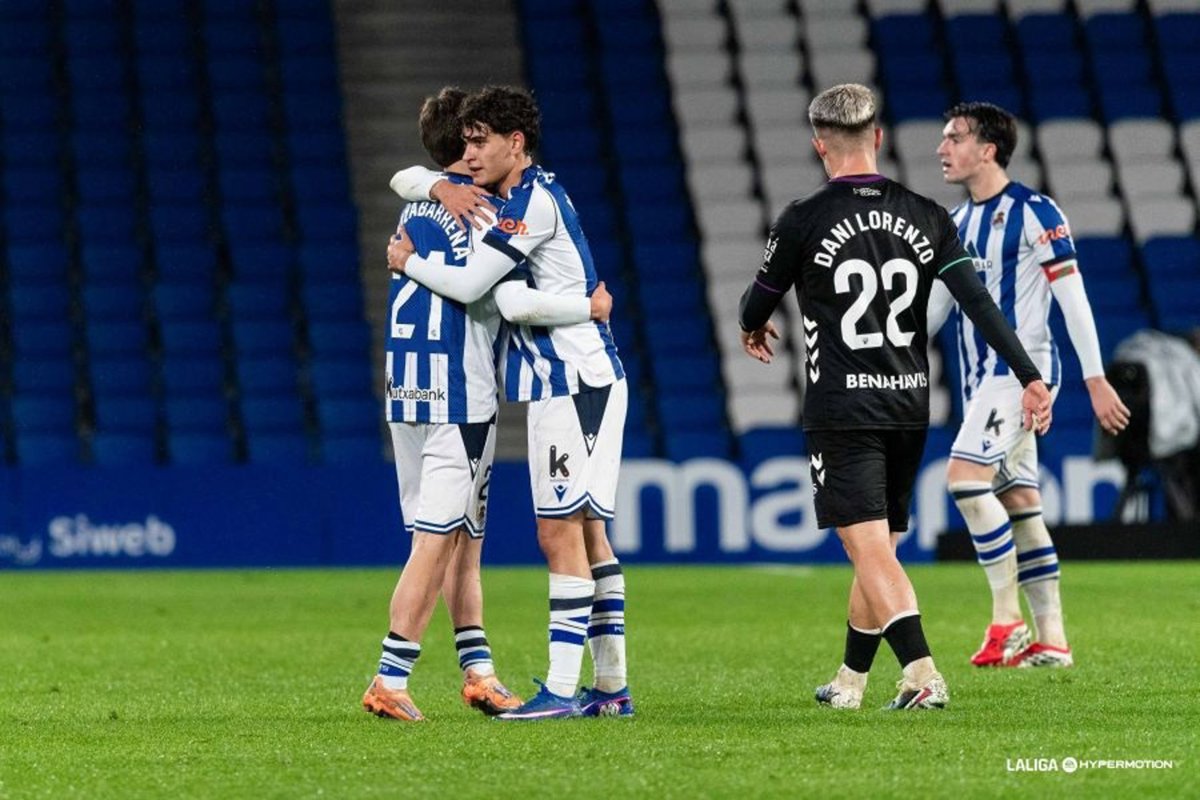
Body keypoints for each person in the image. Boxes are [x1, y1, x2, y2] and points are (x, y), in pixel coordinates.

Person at [738, 84, 1053, 710]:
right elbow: (978, 303)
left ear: (819, 146)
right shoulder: (928, 215)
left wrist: (753, 323)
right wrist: (1029, 375)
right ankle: (850, 681)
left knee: (867, 547)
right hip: (909, 403)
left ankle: (922, 674)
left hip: (842, 407)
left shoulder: (803, 218)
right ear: (877, 138)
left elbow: (756, 305)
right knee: (876, 545)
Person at [362, 87, 613, 722]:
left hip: (404, 386)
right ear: (466, 147)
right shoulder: (486, 211)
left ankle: (478, 670)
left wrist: (428, 189)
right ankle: (391, 676)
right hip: (459, 392)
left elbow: (406, 177)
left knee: (459, 538)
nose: (477, 152)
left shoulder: (418, 204)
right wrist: (587, 306)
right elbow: (495, 294)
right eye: (472, 140)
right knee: (436, 542)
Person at [928, 102, 1131, 668]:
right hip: (978, 382)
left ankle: (1006, 619)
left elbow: (1073, 299)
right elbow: (935, 310)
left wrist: (1095, 378)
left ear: (988, 149)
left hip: (1021, 378)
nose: (942, 148)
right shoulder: (954, 223)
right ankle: (1054, 639)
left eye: (954, 138)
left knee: (964, 479)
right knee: (1020, 503)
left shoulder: (1035, 212)